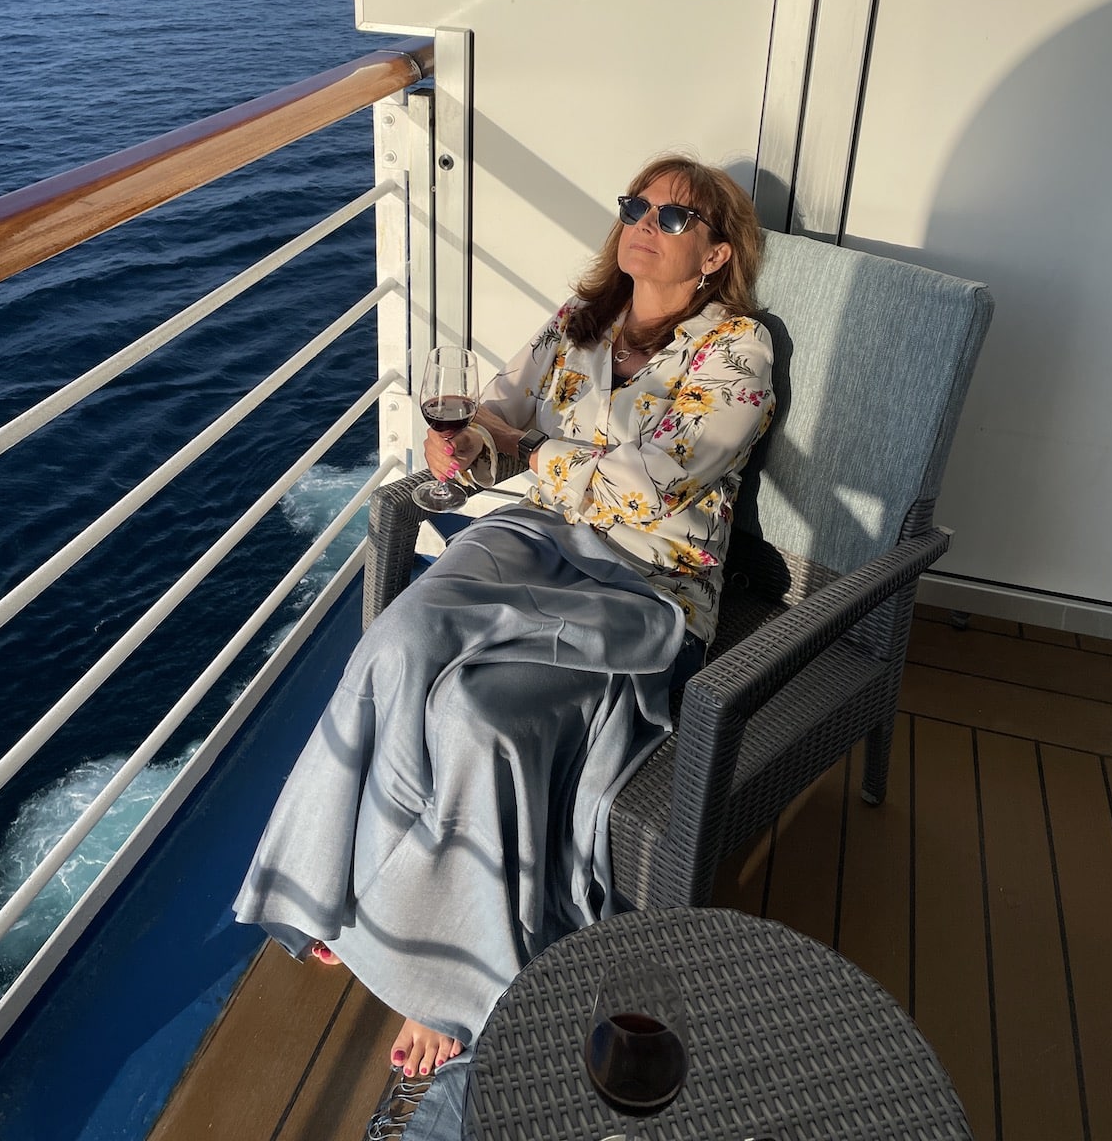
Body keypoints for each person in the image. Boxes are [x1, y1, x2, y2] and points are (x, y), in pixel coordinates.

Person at [234, 154, 775, 1084]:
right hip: (529, 539)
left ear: (717, 255)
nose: (643, 222)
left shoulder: (737, 351)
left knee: (476, 719)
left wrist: (532, 449)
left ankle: (446, 980)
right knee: (395, 643)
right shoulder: (578, 323)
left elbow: (663, 481)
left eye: (674, 217)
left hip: (645, 583)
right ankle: (332, 887)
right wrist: (474, 446)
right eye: (634, 203)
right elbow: (498, 419)